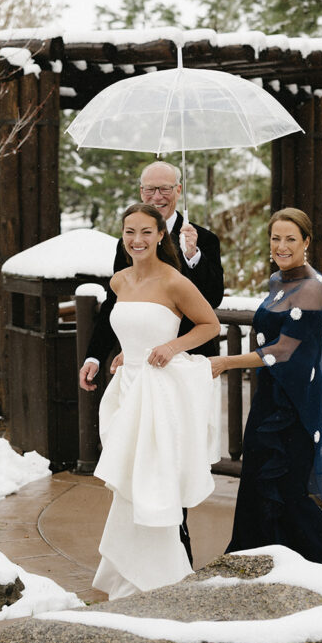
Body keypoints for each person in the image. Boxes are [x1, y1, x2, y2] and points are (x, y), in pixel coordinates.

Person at [209, 208, 322, 573]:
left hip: (297, 402)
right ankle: (256, 556)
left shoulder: (312, 287)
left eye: (291, 239)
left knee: (286, 487)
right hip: (271, 395)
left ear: (307, 242)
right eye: (275, 238)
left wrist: (226, 362)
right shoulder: (279, 280)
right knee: (262, 481)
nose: (281, 246)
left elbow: (282, 350)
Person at [92, 202, 222, 599]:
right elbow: (132, 327)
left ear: (161, 235)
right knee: (129, 484)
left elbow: (209, 325)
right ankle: (127, 574)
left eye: (146, 232)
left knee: (152, 481)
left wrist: (171, 346)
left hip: (158, 391)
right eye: (130, 232)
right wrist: (124, 352)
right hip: (127, 388)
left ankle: (162, 577)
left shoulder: (174, 281)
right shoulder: (119, 281)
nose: (137, 240)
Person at [79, 160, 224, 392]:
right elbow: (115, 303)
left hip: (188, 364)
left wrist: (193, 256)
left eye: (165, 188)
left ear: (178, 190)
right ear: (141, 191)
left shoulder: (204, 240)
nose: (157, 196)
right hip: (139, 368)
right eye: (150, 189)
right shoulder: (128, 245)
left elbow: (213, 299)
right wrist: (94, 356)